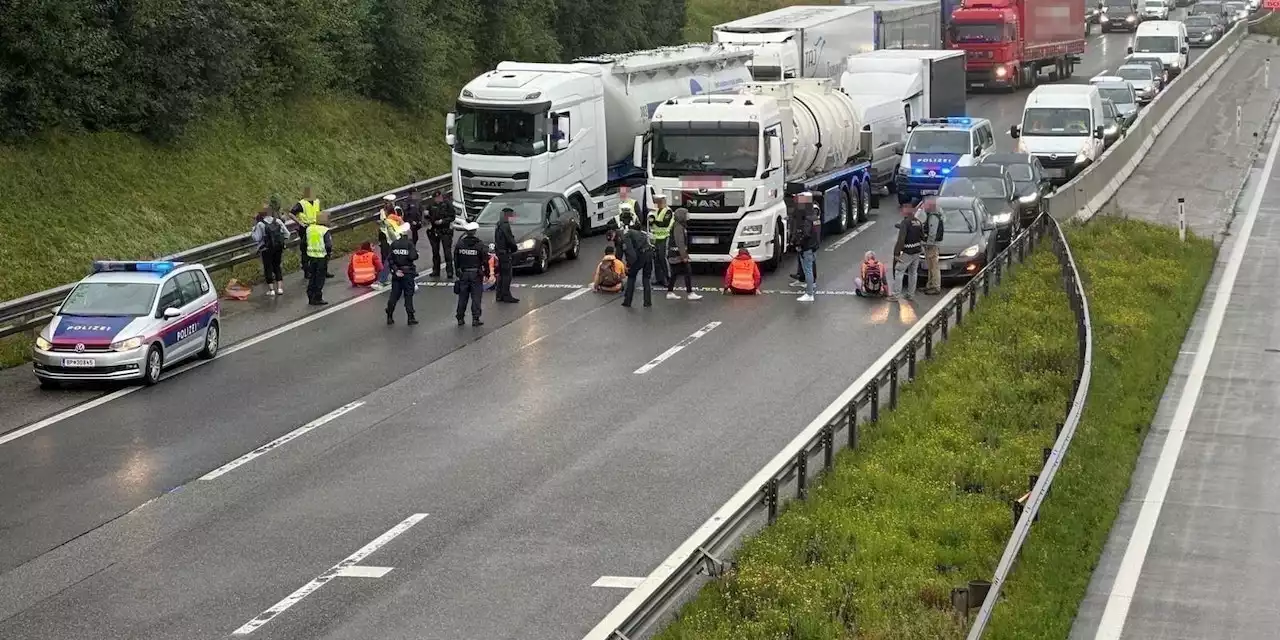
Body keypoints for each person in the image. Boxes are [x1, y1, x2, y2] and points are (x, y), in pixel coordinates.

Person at [453, 221, 490, 326]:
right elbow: (485, 260)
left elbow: (456, 260)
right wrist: (487, 274)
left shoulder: (460, 244)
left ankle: (460, 318)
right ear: (474, 232)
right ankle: (475, 319)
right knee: (476, 297)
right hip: (475, 275)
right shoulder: (479, 245)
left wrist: (457, 271)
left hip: (463, 274)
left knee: (462, 297)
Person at [385, 222, 420, 325]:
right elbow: (413, 257)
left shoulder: (394, 244)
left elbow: (390, 260)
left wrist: (396, 270)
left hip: (397, 273)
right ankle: (410, 318)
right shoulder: (409, 244)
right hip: (407, 273)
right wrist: (416, 253)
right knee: (408, 296)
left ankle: (389, 316)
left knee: (394, 295)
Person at [890, 202, 925, 301]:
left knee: (899, 271)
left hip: (908, 252)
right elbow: (923, 236)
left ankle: (895, 295)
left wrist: (896, 253)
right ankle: (910, 294)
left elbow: (901, 240)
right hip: (917, 251)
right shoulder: (918, 222)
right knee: (913, 272)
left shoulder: (905, 223)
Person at [252, 206, 290, 296]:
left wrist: (253, 230)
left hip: (266, 249)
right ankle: (280, 288)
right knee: (277, 266)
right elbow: (287, 234)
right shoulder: (277, 221)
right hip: (278, 248)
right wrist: (280, 240)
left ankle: (271, 290)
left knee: (268, 267)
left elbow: (256, 238)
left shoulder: (260, 224)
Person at [665, 207, 701, 300]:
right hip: (677, 255)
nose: (688, 216)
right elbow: (680, 242)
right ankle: (690, 293)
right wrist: (684, 256)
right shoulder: (678, 227)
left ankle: (670, 292)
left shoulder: (679, 225)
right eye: (686, 214)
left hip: (675, 255)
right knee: (687, 272)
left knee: (675, 274)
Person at [289, 185, 323, 280]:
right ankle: (307, 271)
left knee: (319, 248)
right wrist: (300, 223)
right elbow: (291, 214)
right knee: (306, 250)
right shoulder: (301, 204)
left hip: (316, 227)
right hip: (306, 228)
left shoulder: (316, 201)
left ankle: (320, 270)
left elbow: (319, 212)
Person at [621, 216, 655, 308]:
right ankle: (647, 302)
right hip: (649, 253)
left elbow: (630, 252)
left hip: (640, 256)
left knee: (631, 277)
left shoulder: (626, 235)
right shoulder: (641, 234)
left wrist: (629, 265)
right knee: (646, 279)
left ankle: (627, 301)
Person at [789, 195, 819, 287]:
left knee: (809, 265)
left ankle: (811, 284)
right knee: (803, 261)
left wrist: (798, 242)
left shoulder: (809, 214)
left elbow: (806, 233)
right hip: (808, 244)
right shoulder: (805, 213)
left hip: (808, 245)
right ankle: (802, 278)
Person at [796, 194, 821, 302]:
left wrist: (799, 245)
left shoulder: (807, 220)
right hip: (814, 247)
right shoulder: (816, 218)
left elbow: (805, 235)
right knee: (810, 269)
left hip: (807, 248)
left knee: (808, 271)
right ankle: (811, 288)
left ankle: (809, 293)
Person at [305, 211, 333, 306]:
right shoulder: (325, 230)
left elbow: (304, 243)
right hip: (321, 257)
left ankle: (310, 296)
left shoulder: (309, 228)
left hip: (311, 256)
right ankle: (317, 297)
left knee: (312, 277)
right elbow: (328, 245)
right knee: (319, 278)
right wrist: (329, 253)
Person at [426, 190, 455, 278]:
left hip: (445, 230)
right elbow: (427, 217)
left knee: (447, 252)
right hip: (434, 230)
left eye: (439, 197)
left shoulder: (447, 204)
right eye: (436, 198)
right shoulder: (431, 205)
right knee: (435, 252)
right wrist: (426, 215)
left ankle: (449, 271)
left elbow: (452, 217)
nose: (438, 199)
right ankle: (436, 270)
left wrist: (443, 221)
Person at [494, 206, 520, 303]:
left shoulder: (498, 224)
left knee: (501, 274)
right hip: (505, 253)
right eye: (512, 215)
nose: (513, 218)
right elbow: (509, 239)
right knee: (507, 275)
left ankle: (499, 295)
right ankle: (506, 295)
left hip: (499, 253)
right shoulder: (505, 225)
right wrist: (514, 248)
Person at [648, 194, 674, 288]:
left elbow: (664, 224)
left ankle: (667, 278)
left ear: (663, 201)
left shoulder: (668, 211)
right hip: (655, 238)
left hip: (665, 237)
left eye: (659, 201)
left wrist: (654, 221)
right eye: (656, 201)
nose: (657, 203)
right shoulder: (654, 211)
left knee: (663, 258)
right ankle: (659, 279)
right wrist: (652, 221)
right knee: (656, 259)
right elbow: (649, 222)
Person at [377, 195, 404, 286]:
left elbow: (399, 221)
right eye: (386, 202)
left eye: (389, 202)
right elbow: (382, 224)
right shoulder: (382, 211)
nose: (388, 204)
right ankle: (384, 278)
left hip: (396, 236)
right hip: (386, 237)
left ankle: (384, 279)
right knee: (387, 258)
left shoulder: (397, 210)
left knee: (398, 257)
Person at [919, 197, 944, 295]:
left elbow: (932, 232)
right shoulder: (933, 214)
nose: (923, 207)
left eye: (924, 205)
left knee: (934, 266)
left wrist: (928, 243)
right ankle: (929, 285)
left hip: (932, 245)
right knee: (930, 266)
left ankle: (935, 286)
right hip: (931, 244)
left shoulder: (933, 216)